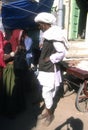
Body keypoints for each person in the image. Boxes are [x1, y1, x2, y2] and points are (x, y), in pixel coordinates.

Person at [34, 12, 69, 126]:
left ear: (45, 24)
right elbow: (49, 47)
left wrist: (50, 58)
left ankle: (50, 114)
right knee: (48, 92)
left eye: (40, 25)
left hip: (50, 69)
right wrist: (43, 46)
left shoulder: (54, 35)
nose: (39, 27)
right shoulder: (48, 34)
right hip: (45, 68)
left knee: (46, 92)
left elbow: (62, 52)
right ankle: (48, 110)